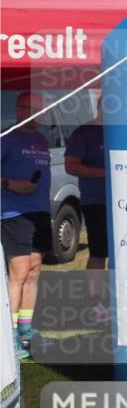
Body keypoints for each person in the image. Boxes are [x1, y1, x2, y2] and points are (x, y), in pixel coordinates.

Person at [1, 92, 53, 359]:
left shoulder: (41, 139)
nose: (36, 114)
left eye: (40, 110)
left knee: (34, 271)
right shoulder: (7, 137)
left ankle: (25, 332)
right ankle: (8, 336)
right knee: (18, 273)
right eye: (31, 108)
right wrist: (10, 184)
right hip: (14, 212)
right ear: (19, 108)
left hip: (40, 212)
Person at [65, 97, 110, 321]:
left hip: (126, 202)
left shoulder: (126, 131)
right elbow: (71, 165)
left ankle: (120, 298)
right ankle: (95, 303)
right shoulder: (85, 133)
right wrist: (106, 173)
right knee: (99, 252)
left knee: (124, 252)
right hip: (97, 201)